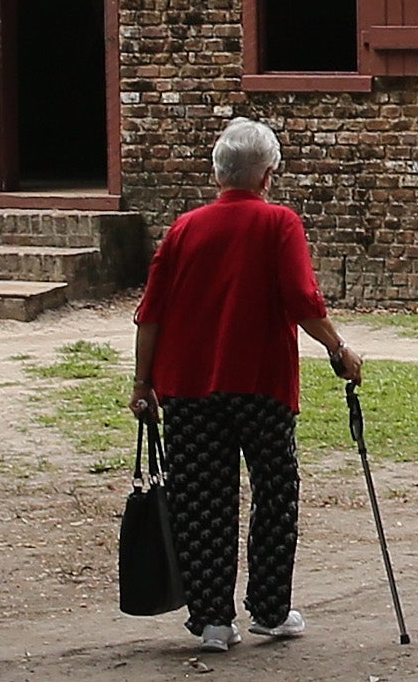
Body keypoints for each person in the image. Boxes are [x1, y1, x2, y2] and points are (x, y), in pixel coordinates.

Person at [126, 115, 367, 649]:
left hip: (189, 386)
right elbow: (302, 301)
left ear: (218, 175)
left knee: (202, 498)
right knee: (275, 492)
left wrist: (143, 384)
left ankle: (212, 619)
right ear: (266, 176)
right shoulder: (279, 224)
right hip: (260, 382)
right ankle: (270, 608)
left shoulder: (184, 230)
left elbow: (151, 314)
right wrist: (339, 348)